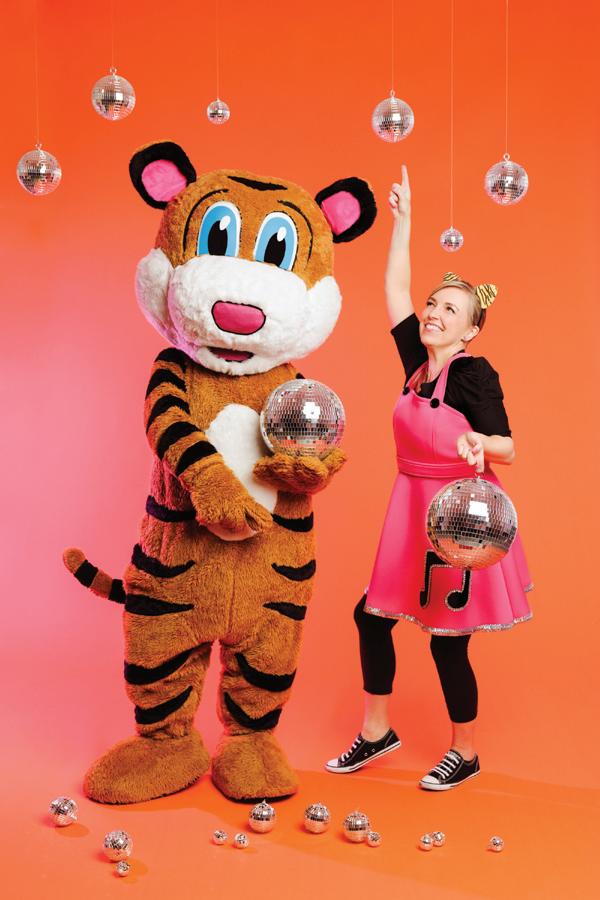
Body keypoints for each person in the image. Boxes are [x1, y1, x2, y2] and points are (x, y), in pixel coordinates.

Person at [326, 167, 532, 790]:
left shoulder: (473, 374)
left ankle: (464, 752)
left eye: (450, 310)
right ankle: (376, 733)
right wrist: (405, 220)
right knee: (371, 617)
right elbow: (395, 287)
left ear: (471, 329)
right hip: (408, 507)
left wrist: (478, 442)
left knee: (448, 641)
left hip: (459, 515)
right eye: (433, 304)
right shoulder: (416, 365)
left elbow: (509, 447)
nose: (434, 313)